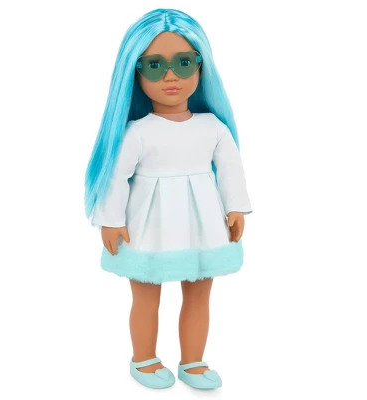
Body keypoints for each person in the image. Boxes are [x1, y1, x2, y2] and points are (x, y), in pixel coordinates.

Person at [84, 8, 253, 390]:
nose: (171, 76)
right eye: (155, 65)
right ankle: (143, 359)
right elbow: (115, 176)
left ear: (201, 66)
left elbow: (231, 169)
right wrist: (111, 219)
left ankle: (193, 361)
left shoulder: (213, 127)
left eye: (183, 62)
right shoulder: (137, 132)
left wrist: (235, 207)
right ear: (135, 73)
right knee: (146, 295)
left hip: (202, 222)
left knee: (199, 295)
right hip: (149, 223)